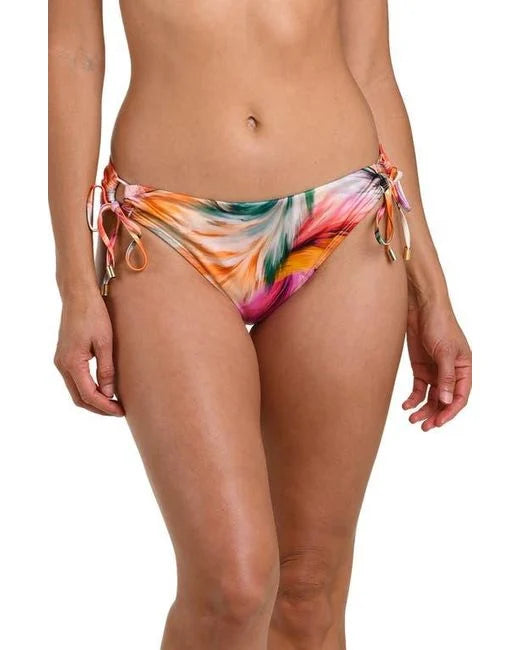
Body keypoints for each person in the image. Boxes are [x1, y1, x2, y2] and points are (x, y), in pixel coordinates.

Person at [48, 1, 472, 648]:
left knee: (308, 591)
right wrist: (75, 284)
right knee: (233, 587)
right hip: (164, 230)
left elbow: (370, 66)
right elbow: (75, 56)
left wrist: (430, 289)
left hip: (342, 218)